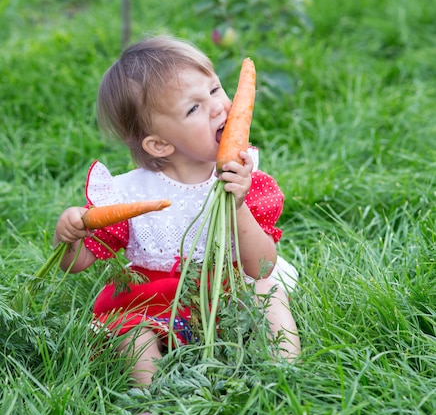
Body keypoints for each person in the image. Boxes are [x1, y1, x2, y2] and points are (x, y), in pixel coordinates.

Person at [53, 34, 300, 388]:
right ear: (160, 144)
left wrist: (239, 205)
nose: (218, 107)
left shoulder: (250, 181)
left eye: (215, 90)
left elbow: (261, 266)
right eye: (193, 108)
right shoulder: (128, 196)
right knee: (130, 332)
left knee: (268, 292)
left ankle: (287, 375)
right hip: (156, 303)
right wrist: (70, 232)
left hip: (228, 294)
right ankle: (152, 397)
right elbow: (74, 265)